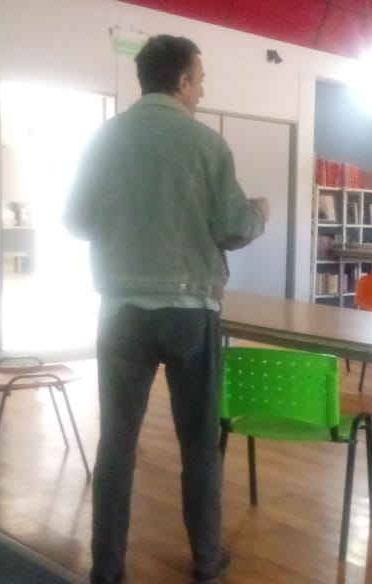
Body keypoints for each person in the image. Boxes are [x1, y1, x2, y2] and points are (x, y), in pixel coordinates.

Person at [64, 35, 268, 584]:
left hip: (121, 313)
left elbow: (76, 221)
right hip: (189, 313)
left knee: (116, 444)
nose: (202, 91)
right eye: (199, 80)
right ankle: (206, 560)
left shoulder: (105, 138)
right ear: (181, 81)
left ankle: (107, 568)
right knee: (198, 445)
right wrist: (259, 212)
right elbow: (233, 227)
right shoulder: (206, 144)